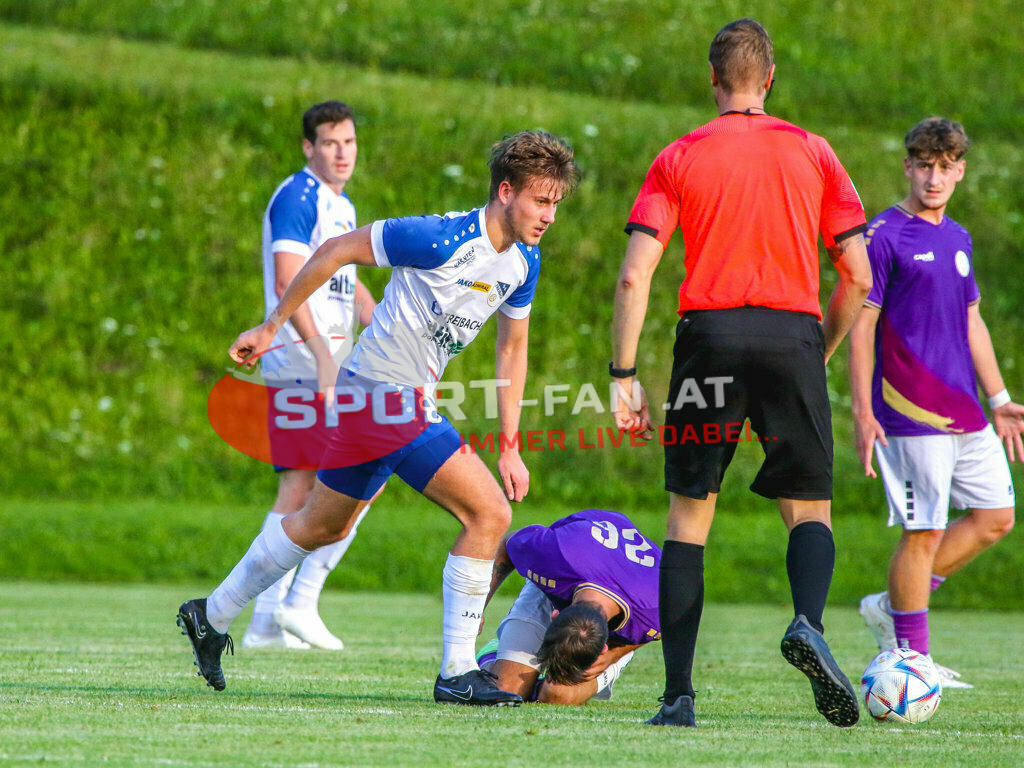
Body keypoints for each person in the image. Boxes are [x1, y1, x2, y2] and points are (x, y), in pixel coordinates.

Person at [177, 130, 580, 706]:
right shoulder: (439, 237)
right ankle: (457, 672)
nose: (549, 216)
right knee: (489, 514)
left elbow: (512, 349)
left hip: (380, 398)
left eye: (556, 204)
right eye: (541, 201)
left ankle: (210, 614)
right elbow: (335, 249)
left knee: (323, 526)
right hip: (383, 395)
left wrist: (510, 444)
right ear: (505, 191)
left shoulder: (525, 262)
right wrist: (270, 327)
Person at [611, 18, 872, 727]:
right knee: (808, 508)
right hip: (792, 336)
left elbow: (635, 276)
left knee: (689, 516)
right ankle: (807, 621)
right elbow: (857, 273)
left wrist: (623, 373)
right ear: (771, 79)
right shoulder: (814, 152)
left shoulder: (680, 155)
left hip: (710, 339)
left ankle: (678, 698)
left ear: (713, 79)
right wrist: (816, 351)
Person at [849, 117, 1021, 690]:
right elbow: (861, 326)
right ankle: (912, 659)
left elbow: (973, 321)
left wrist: (999, 398)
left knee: (996, 517)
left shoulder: (959, 237)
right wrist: (862, 410)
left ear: (960, 170)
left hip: (966, 410)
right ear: (908, 166)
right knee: (923, 530)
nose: (934, 178)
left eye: (945, 167)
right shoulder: (883, 235)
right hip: (910, 410)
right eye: (924, 165)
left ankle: (891, 607)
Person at [242, 100, 378, 652]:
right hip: (304, 362)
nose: (342, 153)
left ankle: (267, 621)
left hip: (326, 363)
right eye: (330, 142)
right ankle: (292, 604)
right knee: (363, 469)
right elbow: (287, 279)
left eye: (349, 141)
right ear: (308, 147)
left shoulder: (340, 205)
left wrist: (382, 319)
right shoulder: (299, 197)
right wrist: (323, 355)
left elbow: (342, 279)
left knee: (306, 488)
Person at [477, 509, 661, 705]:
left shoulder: (655, 608)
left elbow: (673, 622)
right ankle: (497, 653)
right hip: (559, 577)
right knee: (506, 690)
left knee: (556, 696)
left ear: (603, 648)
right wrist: (476, 606)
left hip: (618, 585)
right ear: (554, 615)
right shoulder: (552, 555)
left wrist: (616, 654)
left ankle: (532, 677)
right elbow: (506, 545)